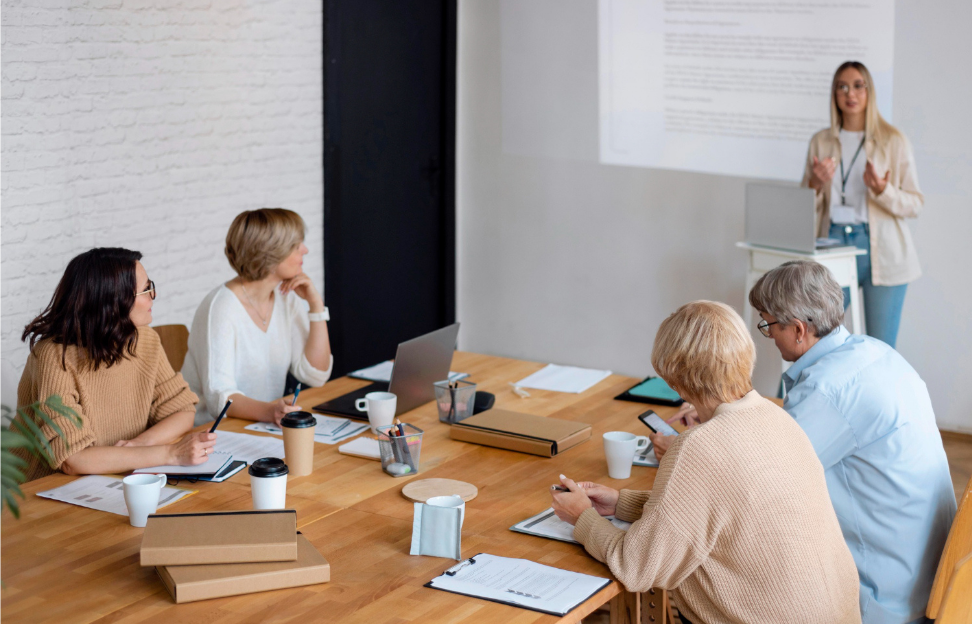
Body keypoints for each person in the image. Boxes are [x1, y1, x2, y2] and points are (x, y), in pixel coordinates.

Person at [551, 301, 860, 624]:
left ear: (674, 380)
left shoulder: (698, 447)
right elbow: (718, 513)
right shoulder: (776, 417)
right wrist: (619, 503)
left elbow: (636, 568)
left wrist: (581, 517)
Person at [746, 260, 955, 624]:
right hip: (933, 576)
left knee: (738, 547)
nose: (768, 336)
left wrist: (691, 446)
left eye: (767, 325)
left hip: (884, 598)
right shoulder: (874, 354)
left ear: (797, 329)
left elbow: (761, 480)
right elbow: (787, 435)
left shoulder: (827, 391)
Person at [12, 248, 214, 481]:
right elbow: (73, 460)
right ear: (112, 300)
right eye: (145, 289)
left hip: (113, 478)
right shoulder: (54, 355)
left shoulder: (145, 340)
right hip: (41, 492)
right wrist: (172, 454)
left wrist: (139, 444)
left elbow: (182, 411)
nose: (153, 296)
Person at [802, 60, 924, 348]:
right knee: (811, 341)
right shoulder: (821, 141)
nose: (850, 94)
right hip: (832, 242)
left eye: (858, 85)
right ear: (834, 94)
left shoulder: (893, 140)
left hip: (882, 250)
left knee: (880, 349)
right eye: (842, 87)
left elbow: (915, 204)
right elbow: (802, 207)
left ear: (870, 91)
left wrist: (883, 190)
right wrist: (815, 185)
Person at [183, 208, 333, 426]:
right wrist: (270, 411)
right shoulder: (221, 307)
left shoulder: (285, 298)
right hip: (211, 433)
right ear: (270, 254)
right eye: (295, 245)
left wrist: (315, 305)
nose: (305, 250)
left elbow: (315, 374)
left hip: (260, 427)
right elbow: (219, 399)